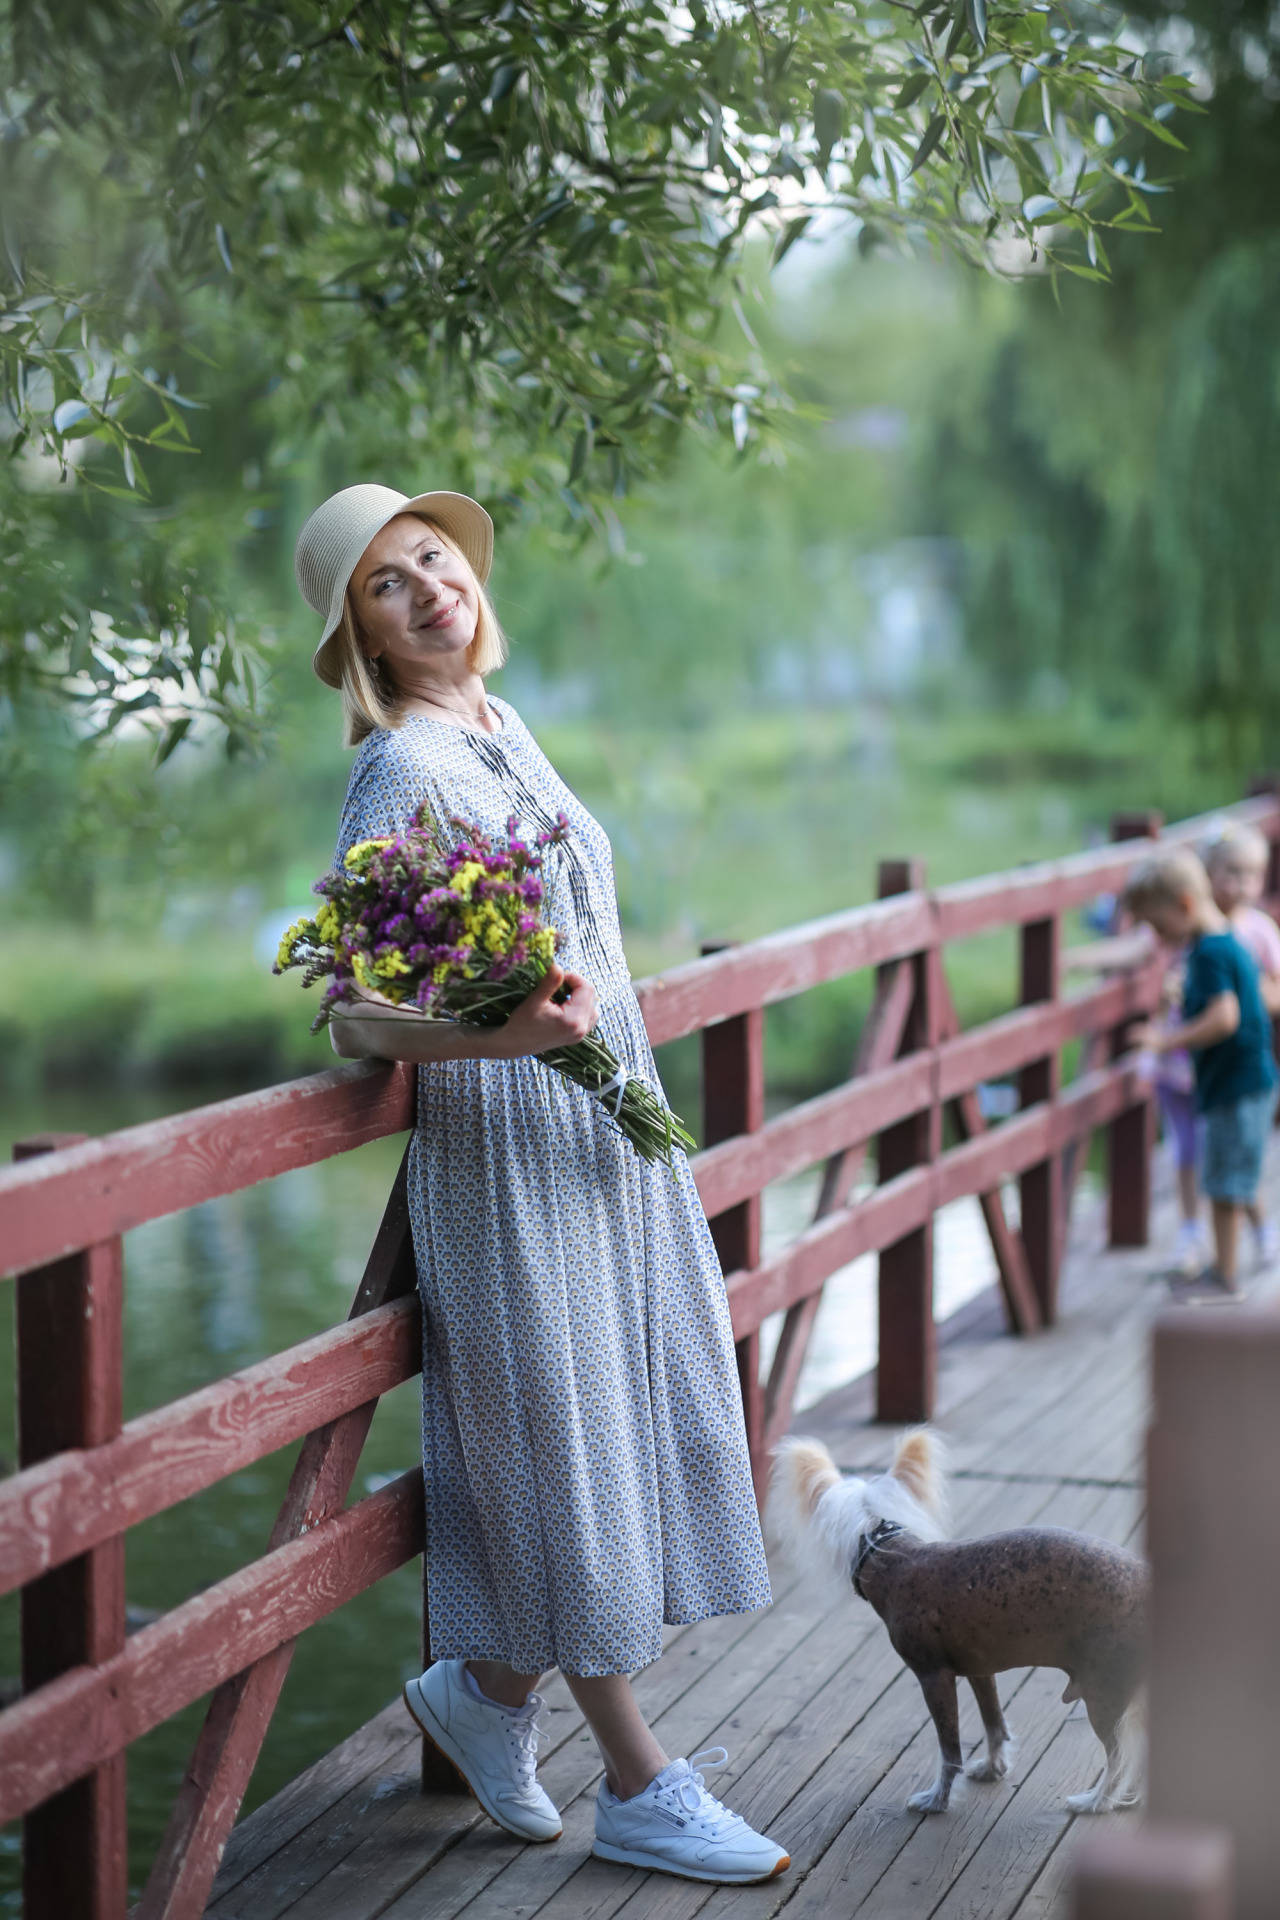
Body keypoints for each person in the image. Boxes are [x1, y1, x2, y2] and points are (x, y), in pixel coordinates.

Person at [291, 484, 788, 1885]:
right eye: (388, 586)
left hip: (602, 1144)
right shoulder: (399, 771)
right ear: (366, 641)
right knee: (564, 1443)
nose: (429, 589)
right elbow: (351, 1009)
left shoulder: (505, 729)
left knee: (620, 1423)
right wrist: (501, 1033)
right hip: (507, 1156)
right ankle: (640, 1783)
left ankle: (485, 1691)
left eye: (434, 561)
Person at [1127, 847, 1278, 1297]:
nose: (1156, 937)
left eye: (1157, 925)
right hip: (1245, 1084)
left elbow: (1225, 1017)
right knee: (1232, 1178)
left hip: (1236, 1087)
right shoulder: (1222, 940)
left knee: (1225, 1186)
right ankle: (1226, 1268)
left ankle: (1224, 1278)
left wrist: (1166, 1041)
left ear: (1185, 906)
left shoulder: (1209, 951)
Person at [1202, 822, 1280, 1266]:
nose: (1242, 884)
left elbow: (1276, 992)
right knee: (1223, 1165)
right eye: (1231, 872)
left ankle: (1231, 1267)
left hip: (1246, 1069)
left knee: (1236, 1171)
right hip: (1209, 1068)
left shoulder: (1260, 932)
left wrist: (1238, 995)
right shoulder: (1202, 931)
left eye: (1252, 874)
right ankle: (1216, 1252)